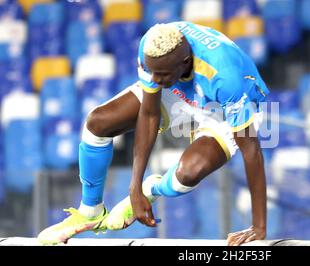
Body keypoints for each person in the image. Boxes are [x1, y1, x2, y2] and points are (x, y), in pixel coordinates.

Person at [37, 22, 269, 246]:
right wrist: (133, 187)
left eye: (161, 74)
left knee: (188, 174)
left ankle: (153, 189)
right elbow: (149, 115)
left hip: (223, 107)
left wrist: (258, 226)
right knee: (97, 123)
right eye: (152, 73)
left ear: (185, 62)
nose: (155, 80)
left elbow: (251, 152)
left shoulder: (226, 77)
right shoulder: (153, 47)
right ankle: (90, 212)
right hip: (179, 89)